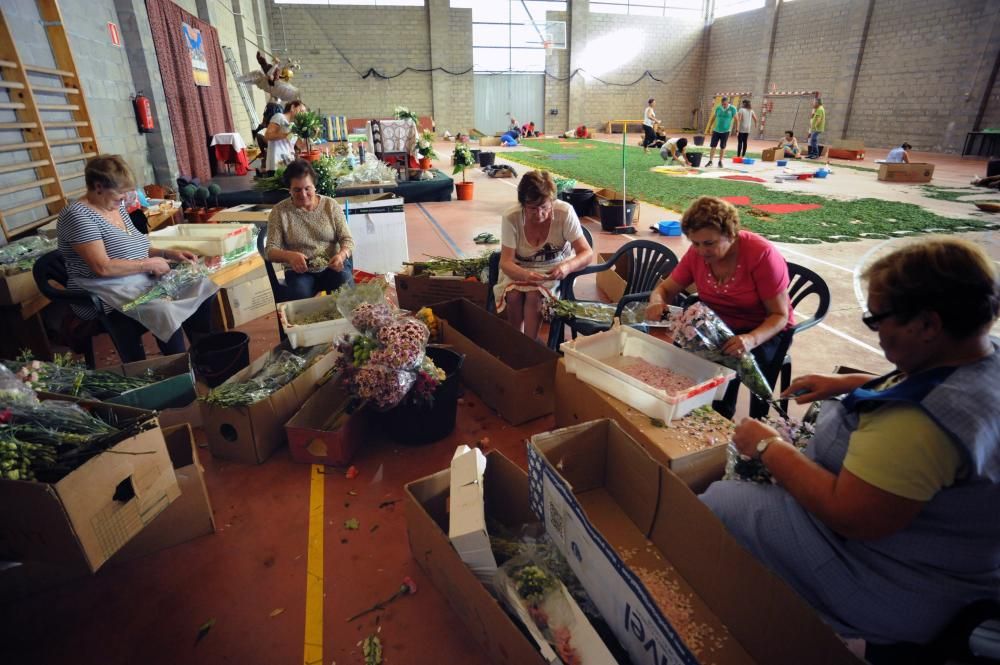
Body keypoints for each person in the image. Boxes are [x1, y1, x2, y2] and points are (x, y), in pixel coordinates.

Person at [701, 237, 1000, 647]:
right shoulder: (982, 353)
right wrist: (852, 384)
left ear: (928, 325)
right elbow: (929, 383)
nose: (875, 334)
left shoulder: (916, 427)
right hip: (954, 564)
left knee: (719, 501)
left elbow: (850, 516)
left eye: (877, 321)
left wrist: (770, 446)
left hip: (897, 584)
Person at [645, 196, 792, 419]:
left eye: (709, 243)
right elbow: (665, 289)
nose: (702, 251)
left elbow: (779, 315)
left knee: (728, 370)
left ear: (730, 235)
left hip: (764, 328)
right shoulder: (696, 255)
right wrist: (656, 302)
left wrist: (750, 339)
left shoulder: (760, 255)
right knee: (684, 365)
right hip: (718, 322)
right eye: (695, 243)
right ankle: (701, 411)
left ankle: (722, 418)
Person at [57, 155, 211, 363]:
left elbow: (136, 246)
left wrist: (168, 254)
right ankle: (179, 368)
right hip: (103, 288)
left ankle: (205, 352)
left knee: (201, 283)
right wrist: (148, 264)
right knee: (163, 308)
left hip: (135, 277)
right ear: (98, 186)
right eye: (119, 195)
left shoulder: (114, 205)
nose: (123, 200)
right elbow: (101, 267)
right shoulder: (77, 215)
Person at [495, 170, 593, 341]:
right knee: (513, 295)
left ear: (552, 202)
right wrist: (525, 275)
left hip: (554, 268)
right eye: (532, 208)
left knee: (534, 296)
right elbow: (506, 262)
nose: (539, 214)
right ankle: (516, 341)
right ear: (523, 204)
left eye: (544, 208)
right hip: (520, 267)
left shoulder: (565, 213)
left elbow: (586, 252)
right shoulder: (512, 217)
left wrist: (567, 266)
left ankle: (529, 344)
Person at [266, 159, 355, 301]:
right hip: (300, 272)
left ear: (315, 187)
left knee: (345, 286)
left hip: (332, 267)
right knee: (299, 294)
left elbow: (347, 240)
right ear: (289, 189)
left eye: (307, 188)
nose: (303, 194)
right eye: (297, 190)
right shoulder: (280, 211)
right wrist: (290, 256)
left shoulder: (330, 206)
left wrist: (341, 255)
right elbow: (270, 250)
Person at [263, 99, 305, 173]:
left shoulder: (293, 125)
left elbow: (300, 146)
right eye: (301, 111)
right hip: (276, 163)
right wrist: (287, 134)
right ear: (292, 107)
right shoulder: (279, 117)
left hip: (287, 163)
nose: (303, 114)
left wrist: (309, 134)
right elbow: (268, 136)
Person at [706, 97, 737, 168]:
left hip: (725, 131)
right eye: (722, 104)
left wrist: (737, 129)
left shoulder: (732, 109)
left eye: (725, 104)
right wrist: (709, 127)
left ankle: (720, 161)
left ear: (728, 102)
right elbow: (713, 117)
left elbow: (737, 119)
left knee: (722, 147)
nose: (724, 105)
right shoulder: (718, 108)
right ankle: (710, 161)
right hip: (716, 130)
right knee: (713, 146)